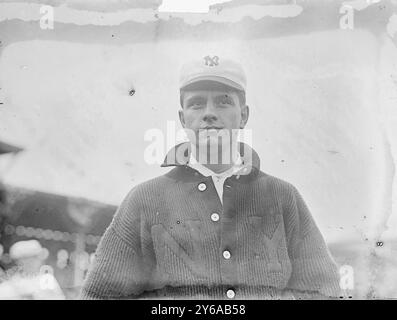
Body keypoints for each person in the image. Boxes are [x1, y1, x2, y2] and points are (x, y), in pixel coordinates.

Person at [80, 56, 341, 300]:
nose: (209, 113)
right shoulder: (144, 200)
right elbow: (100, 294)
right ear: (183, 118)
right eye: (196, 103)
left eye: (223, 101)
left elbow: (323, 290)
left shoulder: (283, 197)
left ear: (244, 115)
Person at [0, 240, 65, 299]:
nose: (32, 263)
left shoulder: (47, 280)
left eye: (35, 258)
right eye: (27, 259)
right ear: (18, 262)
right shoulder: (10, 284)